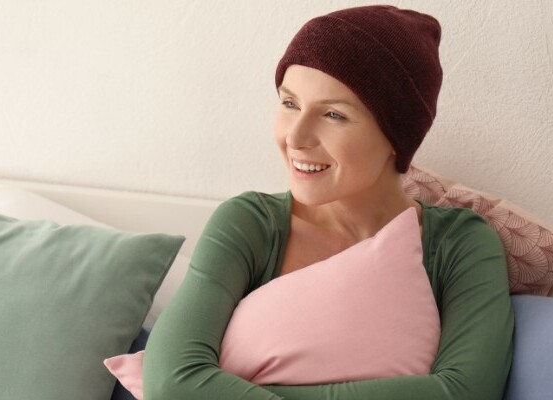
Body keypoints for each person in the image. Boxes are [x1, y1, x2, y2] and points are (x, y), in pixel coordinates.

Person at [143, 5, 513, 399]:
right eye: (289, 104)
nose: (296, 137)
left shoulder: (459, 245)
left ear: (396, 136)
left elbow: (465, 392)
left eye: (333, 114)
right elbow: (170, 381)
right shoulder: (249, 223)